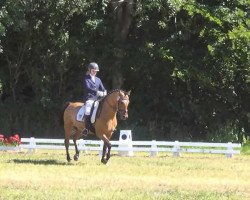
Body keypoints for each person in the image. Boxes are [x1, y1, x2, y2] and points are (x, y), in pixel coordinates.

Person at [82, 62, 107, 136]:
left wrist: (105, 92)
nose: (95, 72)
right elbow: (88, 88)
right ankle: (86, 128)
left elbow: (102, 88)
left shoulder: (98, 79)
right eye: (93, 71)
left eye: (96, 71)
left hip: (97, 99)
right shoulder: (86, 78)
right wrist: (97, 92)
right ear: (90, 70)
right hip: (89, 98)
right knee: (88, 110)